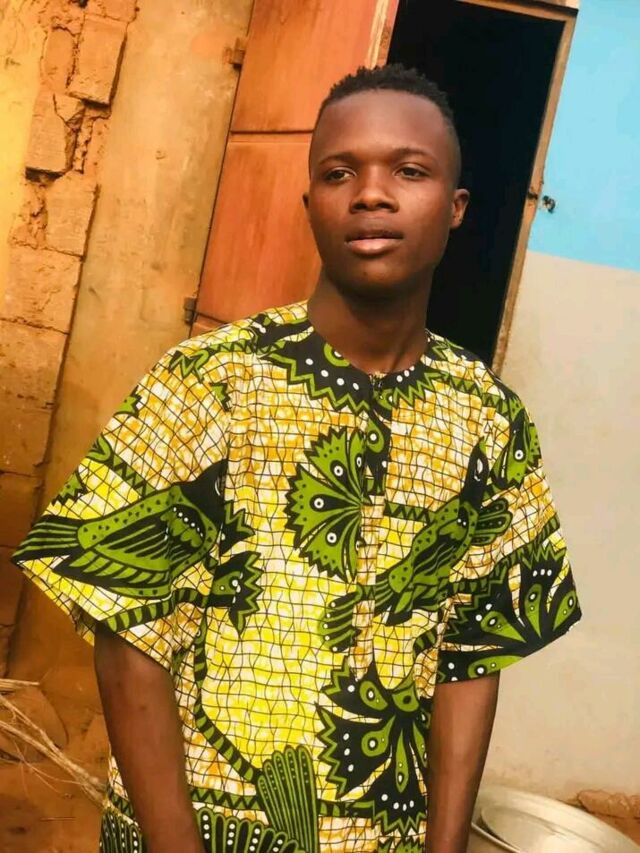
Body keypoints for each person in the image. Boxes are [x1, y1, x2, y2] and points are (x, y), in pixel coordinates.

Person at [13, 64, 581, 853]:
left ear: (455, 208)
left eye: (409, 171)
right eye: (339, 173)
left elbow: (474, 655)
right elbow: (127, 635)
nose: (371, 194)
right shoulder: (210, 383)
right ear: (309, 202)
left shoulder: (488, 419)